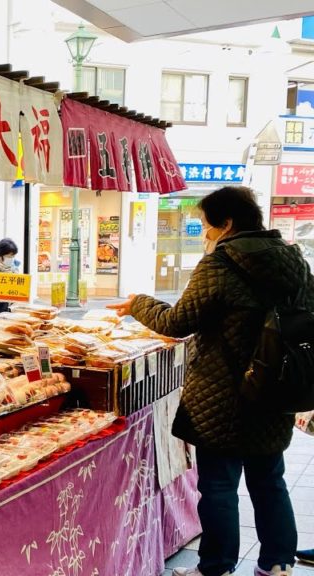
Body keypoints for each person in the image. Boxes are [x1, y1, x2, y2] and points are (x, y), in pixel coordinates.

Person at [108, 186, 305, 576]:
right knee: (270, 480)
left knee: (218, 485)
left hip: (224, 393)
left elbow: (177, 322)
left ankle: (215, 566)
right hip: (276, 386)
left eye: (205, 224)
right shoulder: (293, 260)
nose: (204, 233)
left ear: (226, 223)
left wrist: (138, 304)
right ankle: (278, 563)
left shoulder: (220, 264)